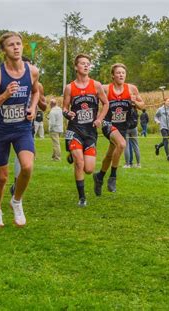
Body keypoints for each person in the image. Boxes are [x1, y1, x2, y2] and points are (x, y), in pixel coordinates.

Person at [0, 31, 40, 227]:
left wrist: (32, 108)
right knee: (2, 177)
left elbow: (36, 90)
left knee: (27, 166)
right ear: (4, 50)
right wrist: (5, 95)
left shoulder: (32, 71)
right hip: (1, 130)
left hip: (22, 127)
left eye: (18, 44)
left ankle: (16, 201)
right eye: (11, 45)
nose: (16, 47)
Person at [63, 53, 109, 207]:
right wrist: (67, 113)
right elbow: (64, 107)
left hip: (90, 131)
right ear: (76, 67)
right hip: (75, 129)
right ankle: (82, 198)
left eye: (88, 63)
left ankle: (73, 153)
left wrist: (99, 119)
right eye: (82, 63)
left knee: (89, 169)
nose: (86, 65)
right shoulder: (69, 87)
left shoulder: (96, 85)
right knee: (79, 162)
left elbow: (106, 104)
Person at [93, 63, 144, 196]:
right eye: (118, 73)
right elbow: (91, 90)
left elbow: (142, 106)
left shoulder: (132, 89)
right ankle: (113, 177)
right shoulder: (106, 89)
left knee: (110, 154)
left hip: (122, 126)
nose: (121, 75)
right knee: (122, 144)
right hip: (108, 123)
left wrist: (134, 102)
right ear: (113, 75)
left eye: (123, 73)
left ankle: (99, 177)